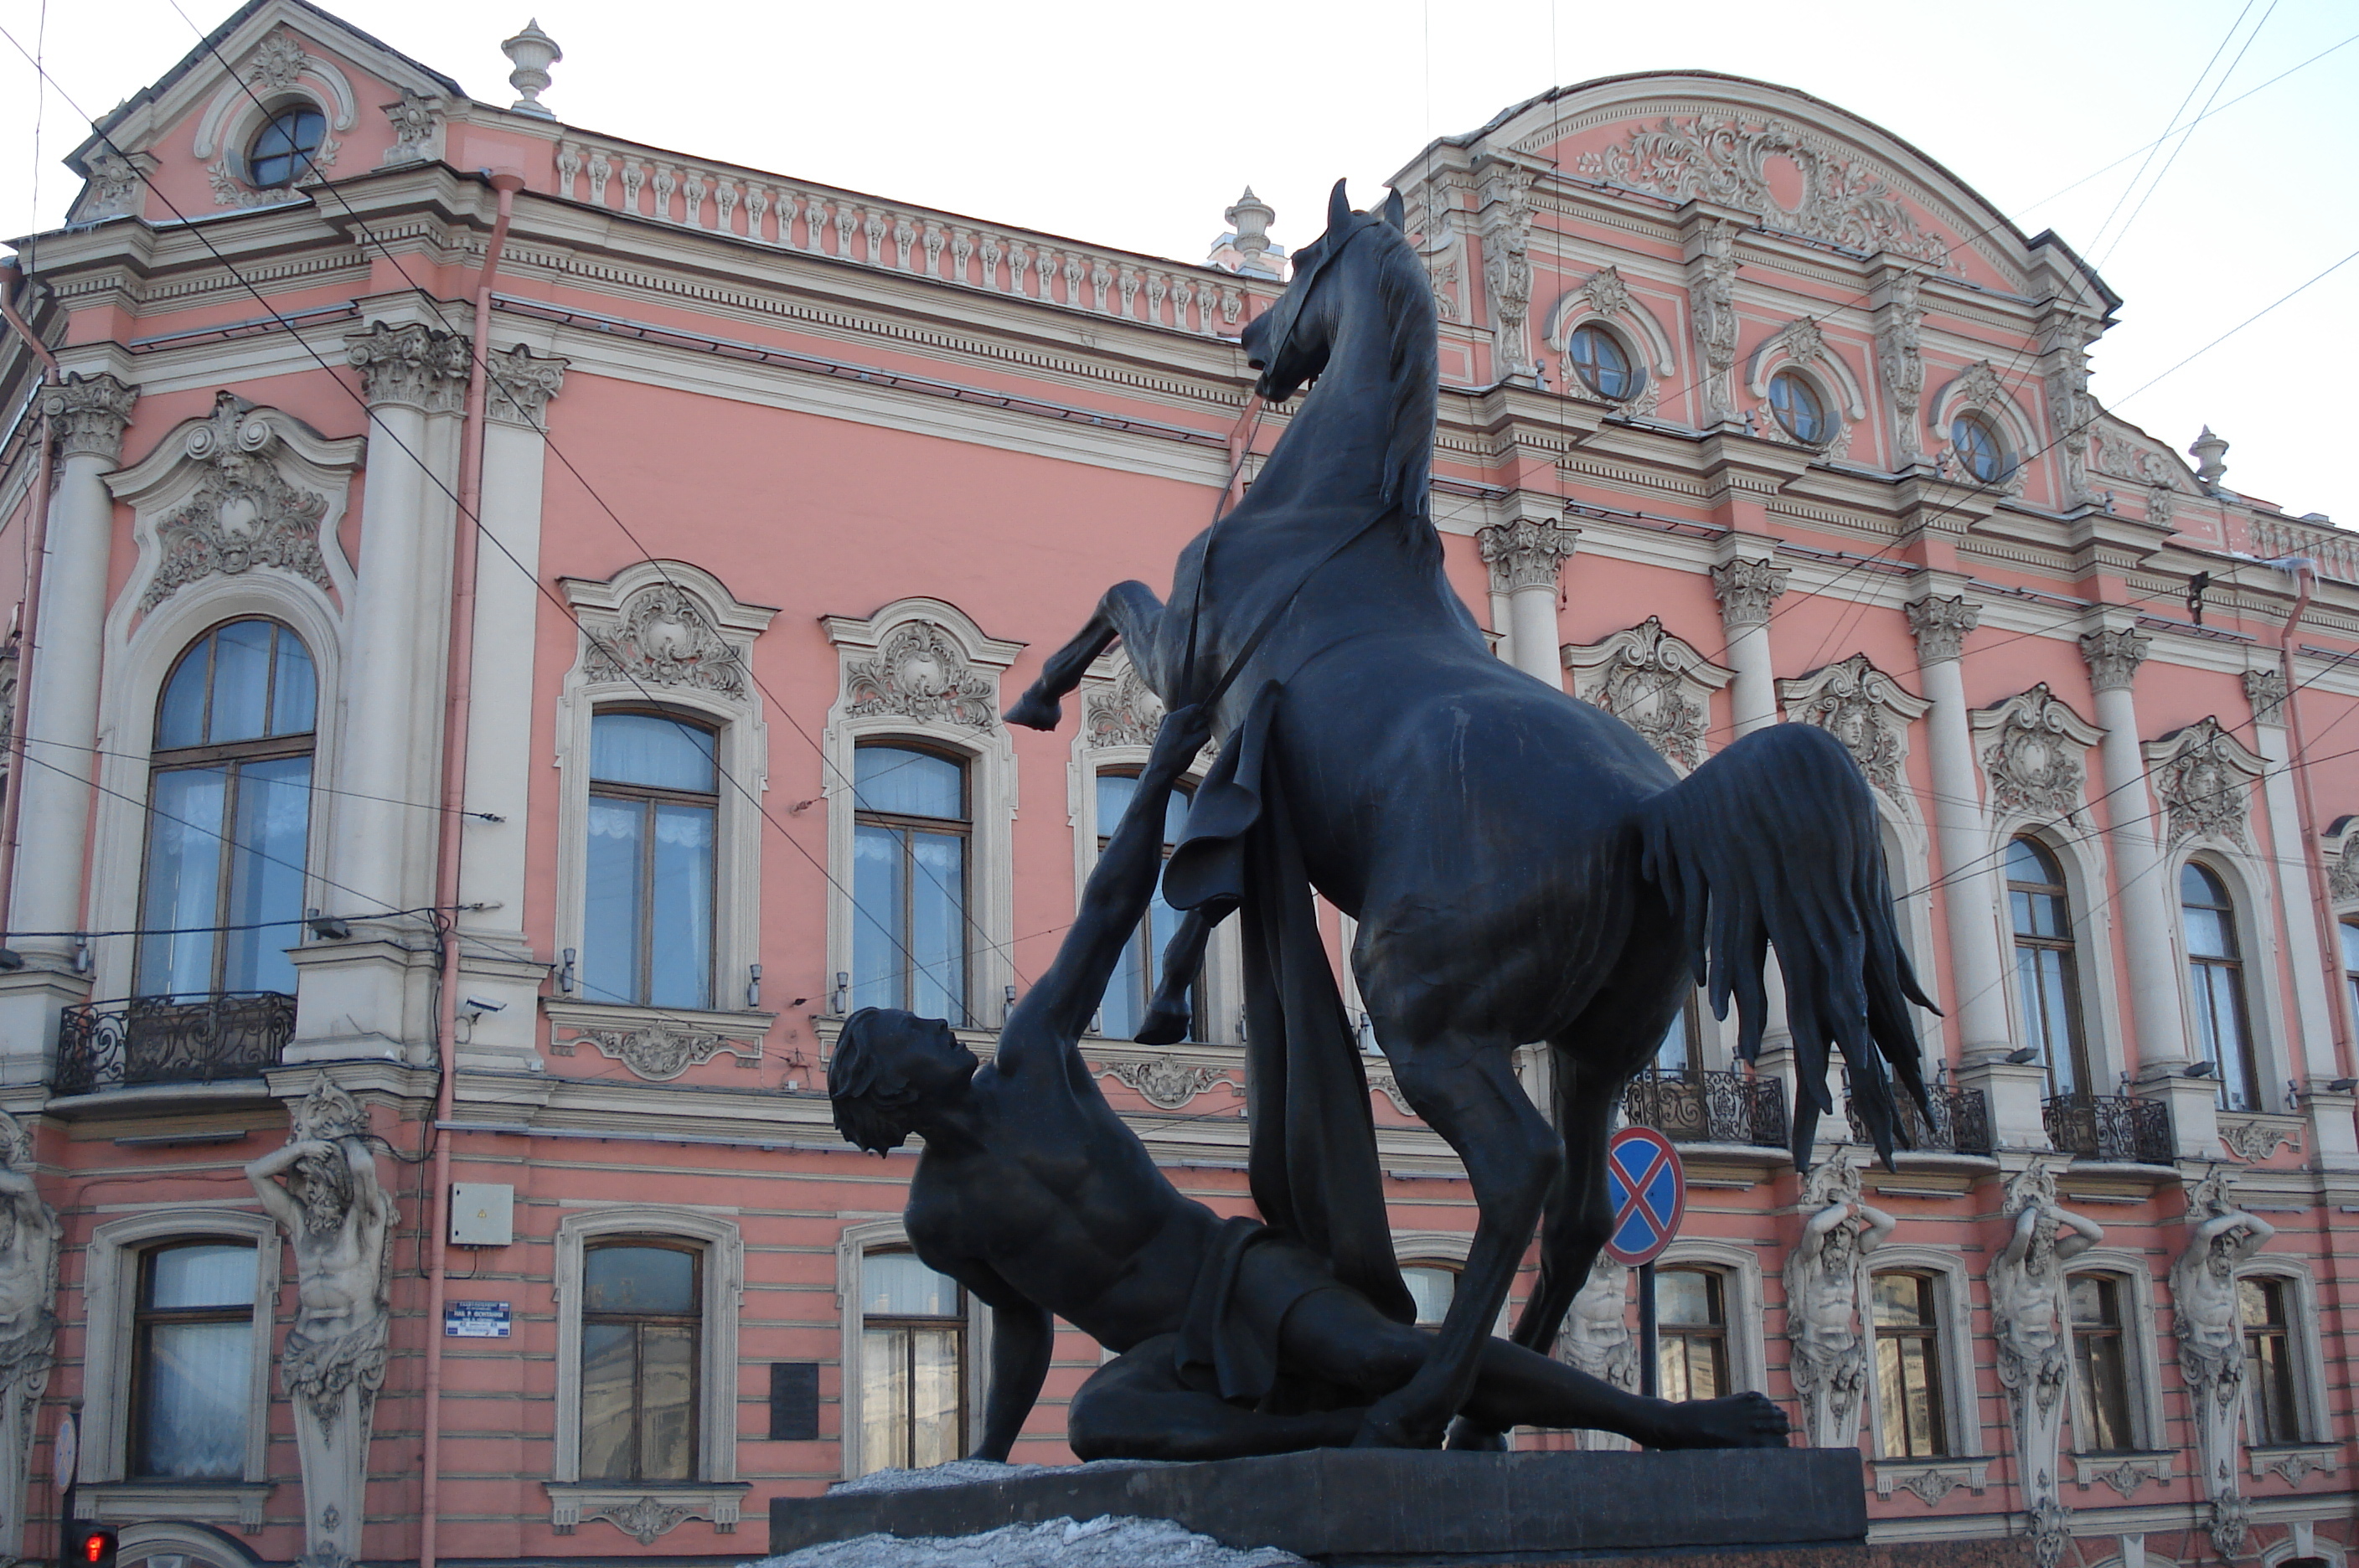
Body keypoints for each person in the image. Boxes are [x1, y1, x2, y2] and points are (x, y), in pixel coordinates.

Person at [829, 704, 1788, 1461]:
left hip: (1230, 1274)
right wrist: (987, 1456)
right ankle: (1331, 1438)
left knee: (1383, 1356)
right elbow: (1020, 1324)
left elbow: (1109, 908)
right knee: (1097, 1426)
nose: (926, 1016)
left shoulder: (1031, 1059)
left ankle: (1663, 1425)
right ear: (889, 1091)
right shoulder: (937, 1220)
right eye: (900, 1030)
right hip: (1157, 1353)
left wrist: (1163, 771)